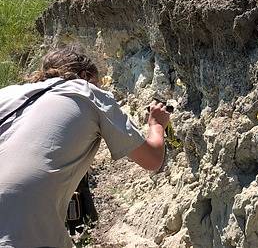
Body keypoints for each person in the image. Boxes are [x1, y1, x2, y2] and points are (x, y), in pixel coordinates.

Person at [0, 46, 169, 248]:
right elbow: (152, 159)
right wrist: (156, 125)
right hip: (22, 226)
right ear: (85, 75)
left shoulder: (7, 94)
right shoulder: (87, 92)